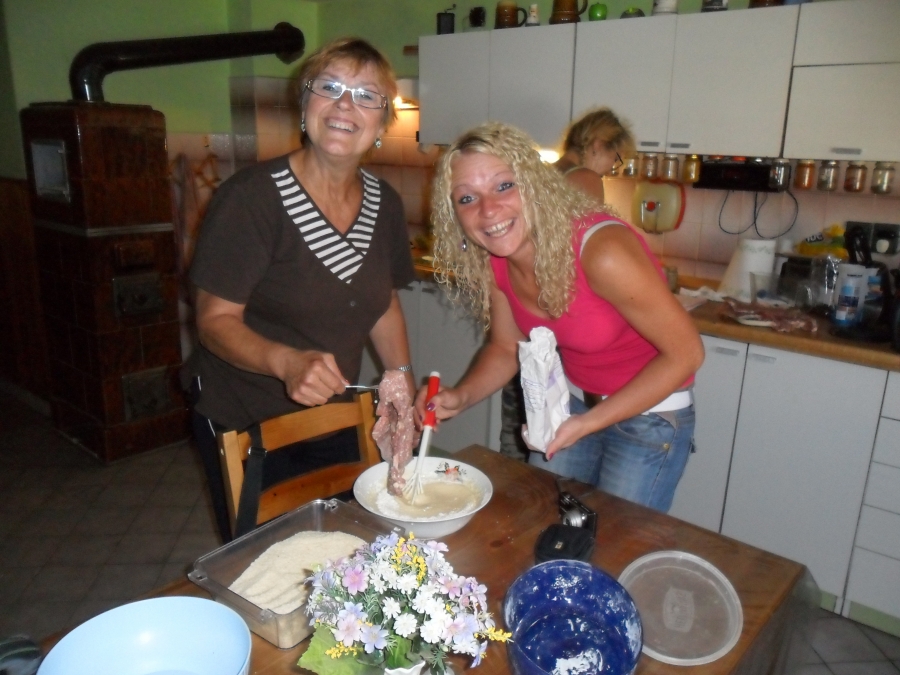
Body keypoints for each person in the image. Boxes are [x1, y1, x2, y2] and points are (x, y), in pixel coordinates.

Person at [184, 38, 417, 541]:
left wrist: (400, 381)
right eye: (329, 87)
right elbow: (214, 322)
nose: (345, 105)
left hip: (335, 412)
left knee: (341, 546)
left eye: (366, 95)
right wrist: (287, 362)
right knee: (263, 557)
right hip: (248, 419)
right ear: (305, 103)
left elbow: (383, 304)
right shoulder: (251, 199)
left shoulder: (385, 204)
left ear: (382, 124)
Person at [418, 122, 704, 513]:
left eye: (504, 186)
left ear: (534, 185)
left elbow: (687, 354)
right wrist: (460, 396)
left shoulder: (601, 250)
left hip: (649, 417)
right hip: (571, 403)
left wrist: (587, 424)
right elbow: (506, 346)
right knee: (547, 523)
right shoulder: (496, 258)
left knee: (615, 539)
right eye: (467, 198)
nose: (487, 210)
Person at [553, 107, 636, 202]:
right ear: (598, 145)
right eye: (616, 159)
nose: (612, 168)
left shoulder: (547, 170)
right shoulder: (588, 179)